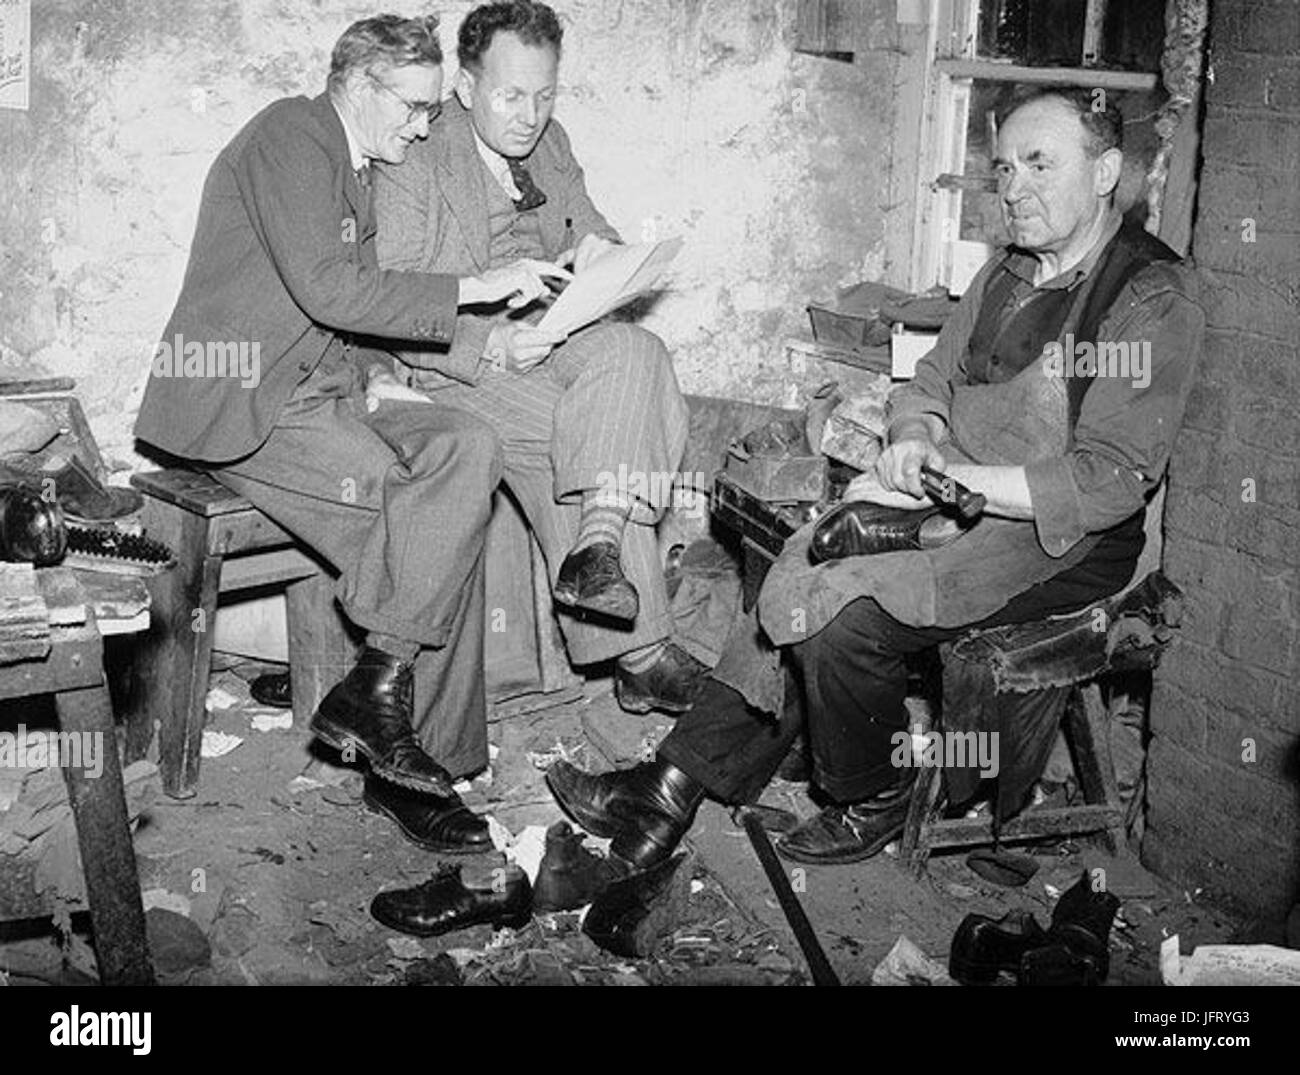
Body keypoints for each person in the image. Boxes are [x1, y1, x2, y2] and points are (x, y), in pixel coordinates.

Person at [546, 86, 1206, 871]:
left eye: (1040, 164)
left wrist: (959, 480)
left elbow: (1108, 479)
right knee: (801, 562)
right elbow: (929, 380)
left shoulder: (1148, 295)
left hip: (1061, 540)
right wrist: (914, 436)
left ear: (1104, 174)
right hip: (959, 504)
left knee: (845, 616)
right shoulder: (1007, 272)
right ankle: (668, 788)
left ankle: (876, 788)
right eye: (1002, 168)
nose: (1013, 188)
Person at [135, 14, 568, 855]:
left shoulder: (355, 162)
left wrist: (375, 371)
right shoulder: (291, 136)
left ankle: (373, 688)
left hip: (322, 386)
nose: (423, 123)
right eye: (412, 107)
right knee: (424, 521)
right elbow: (331, 286)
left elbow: (347, 305)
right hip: (243, 397)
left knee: (466, 449)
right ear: (360, 86)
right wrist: (476, 286)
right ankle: (417, 766)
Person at [373, 0, 701, 716]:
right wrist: (489, 339)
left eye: (545, 94)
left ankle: (598, 543)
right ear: (465, 86)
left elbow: (596, 225)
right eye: (511, 95)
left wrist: (600, 255)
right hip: (460, 360)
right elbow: (387, 300)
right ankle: (642, 652)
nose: (529, 115)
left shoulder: (551, 143)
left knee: (637, 350)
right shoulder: (416, 154)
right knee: (574, 427)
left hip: (554, 333)